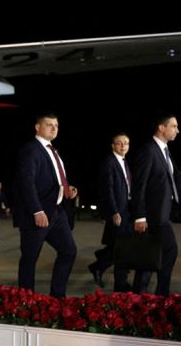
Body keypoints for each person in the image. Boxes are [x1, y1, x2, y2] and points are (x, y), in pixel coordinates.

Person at [130, 114, 181, 295]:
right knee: (169, 250)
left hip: (161, 214)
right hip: (153, 216)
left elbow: (177, 181)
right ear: (162, 128)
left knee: (150, 257)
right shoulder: (148, 151)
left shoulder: (164, 152)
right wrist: (139, 216)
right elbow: (139, 185)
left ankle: (140, 295)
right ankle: (161, 294)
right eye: (174, 126)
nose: (177, 130)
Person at [13, 113, 78, 297]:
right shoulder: (31, 149)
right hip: (38, 214)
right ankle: (26, 299)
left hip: (57, 213)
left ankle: (57, 296)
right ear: (37, 127)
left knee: (69, 251)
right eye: (49, 124)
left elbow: (52, 180)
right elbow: (26, 182)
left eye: (56, 125)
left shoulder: (53, 151)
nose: (54, 128)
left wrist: (67, 189)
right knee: (30, 258)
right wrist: (37, 210)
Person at [89, 133, 132, 291]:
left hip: (127, 210)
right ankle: (120, 283)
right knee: (121, 247)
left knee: (120, 246)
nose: (123, 146)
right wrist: (114, 212)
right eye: (119, 143)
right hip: (118, 211)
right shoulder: (109, 163)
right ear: (113, 146)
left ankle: (99, 263)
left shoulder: (124, 162)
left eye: (126, 143)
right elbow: (107, 190)